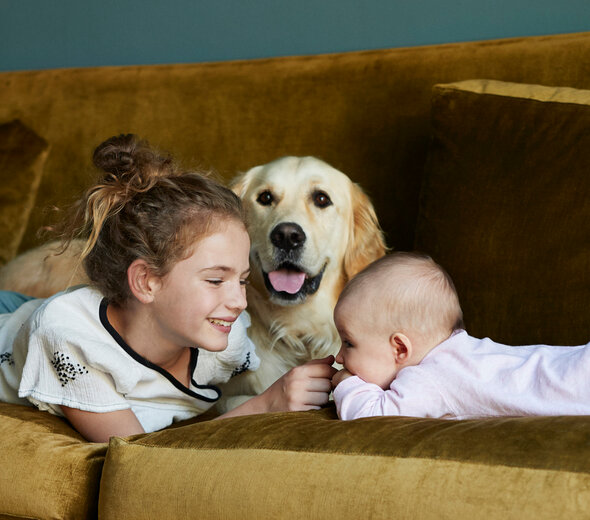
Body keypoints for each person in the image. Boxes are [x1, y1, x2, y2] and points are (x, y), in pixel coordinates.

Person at [0, 134, 336, 442]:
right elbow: (133, 457)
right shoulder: (71, 342)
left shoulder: (224, 340)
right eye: (216, 280)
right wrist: (266, 404)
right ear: (147, 281)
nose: (238, 301)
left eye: (243, 280)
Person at [331, 251, 590, 421]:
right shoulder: (462, 354)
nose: (340, 357)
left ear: (400, 348)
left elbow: (373, 417)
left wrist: (344, 382)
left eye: (349, 342)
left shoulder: (428, 377)